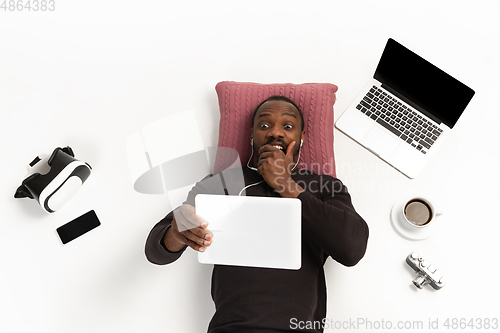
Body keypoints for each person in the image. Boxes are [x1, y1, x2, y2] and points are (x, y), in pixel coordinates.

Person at [145, 95, 369, 332]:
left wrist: (286, 185)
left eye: (288, 126)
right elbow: (155, 252)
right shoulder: (220, 183)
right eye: (264, 125)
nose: (276, 133)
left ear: (302, 137)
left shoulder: (324, 186)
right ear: (252, 135)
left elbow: (352, 249)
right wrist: (177, 233)